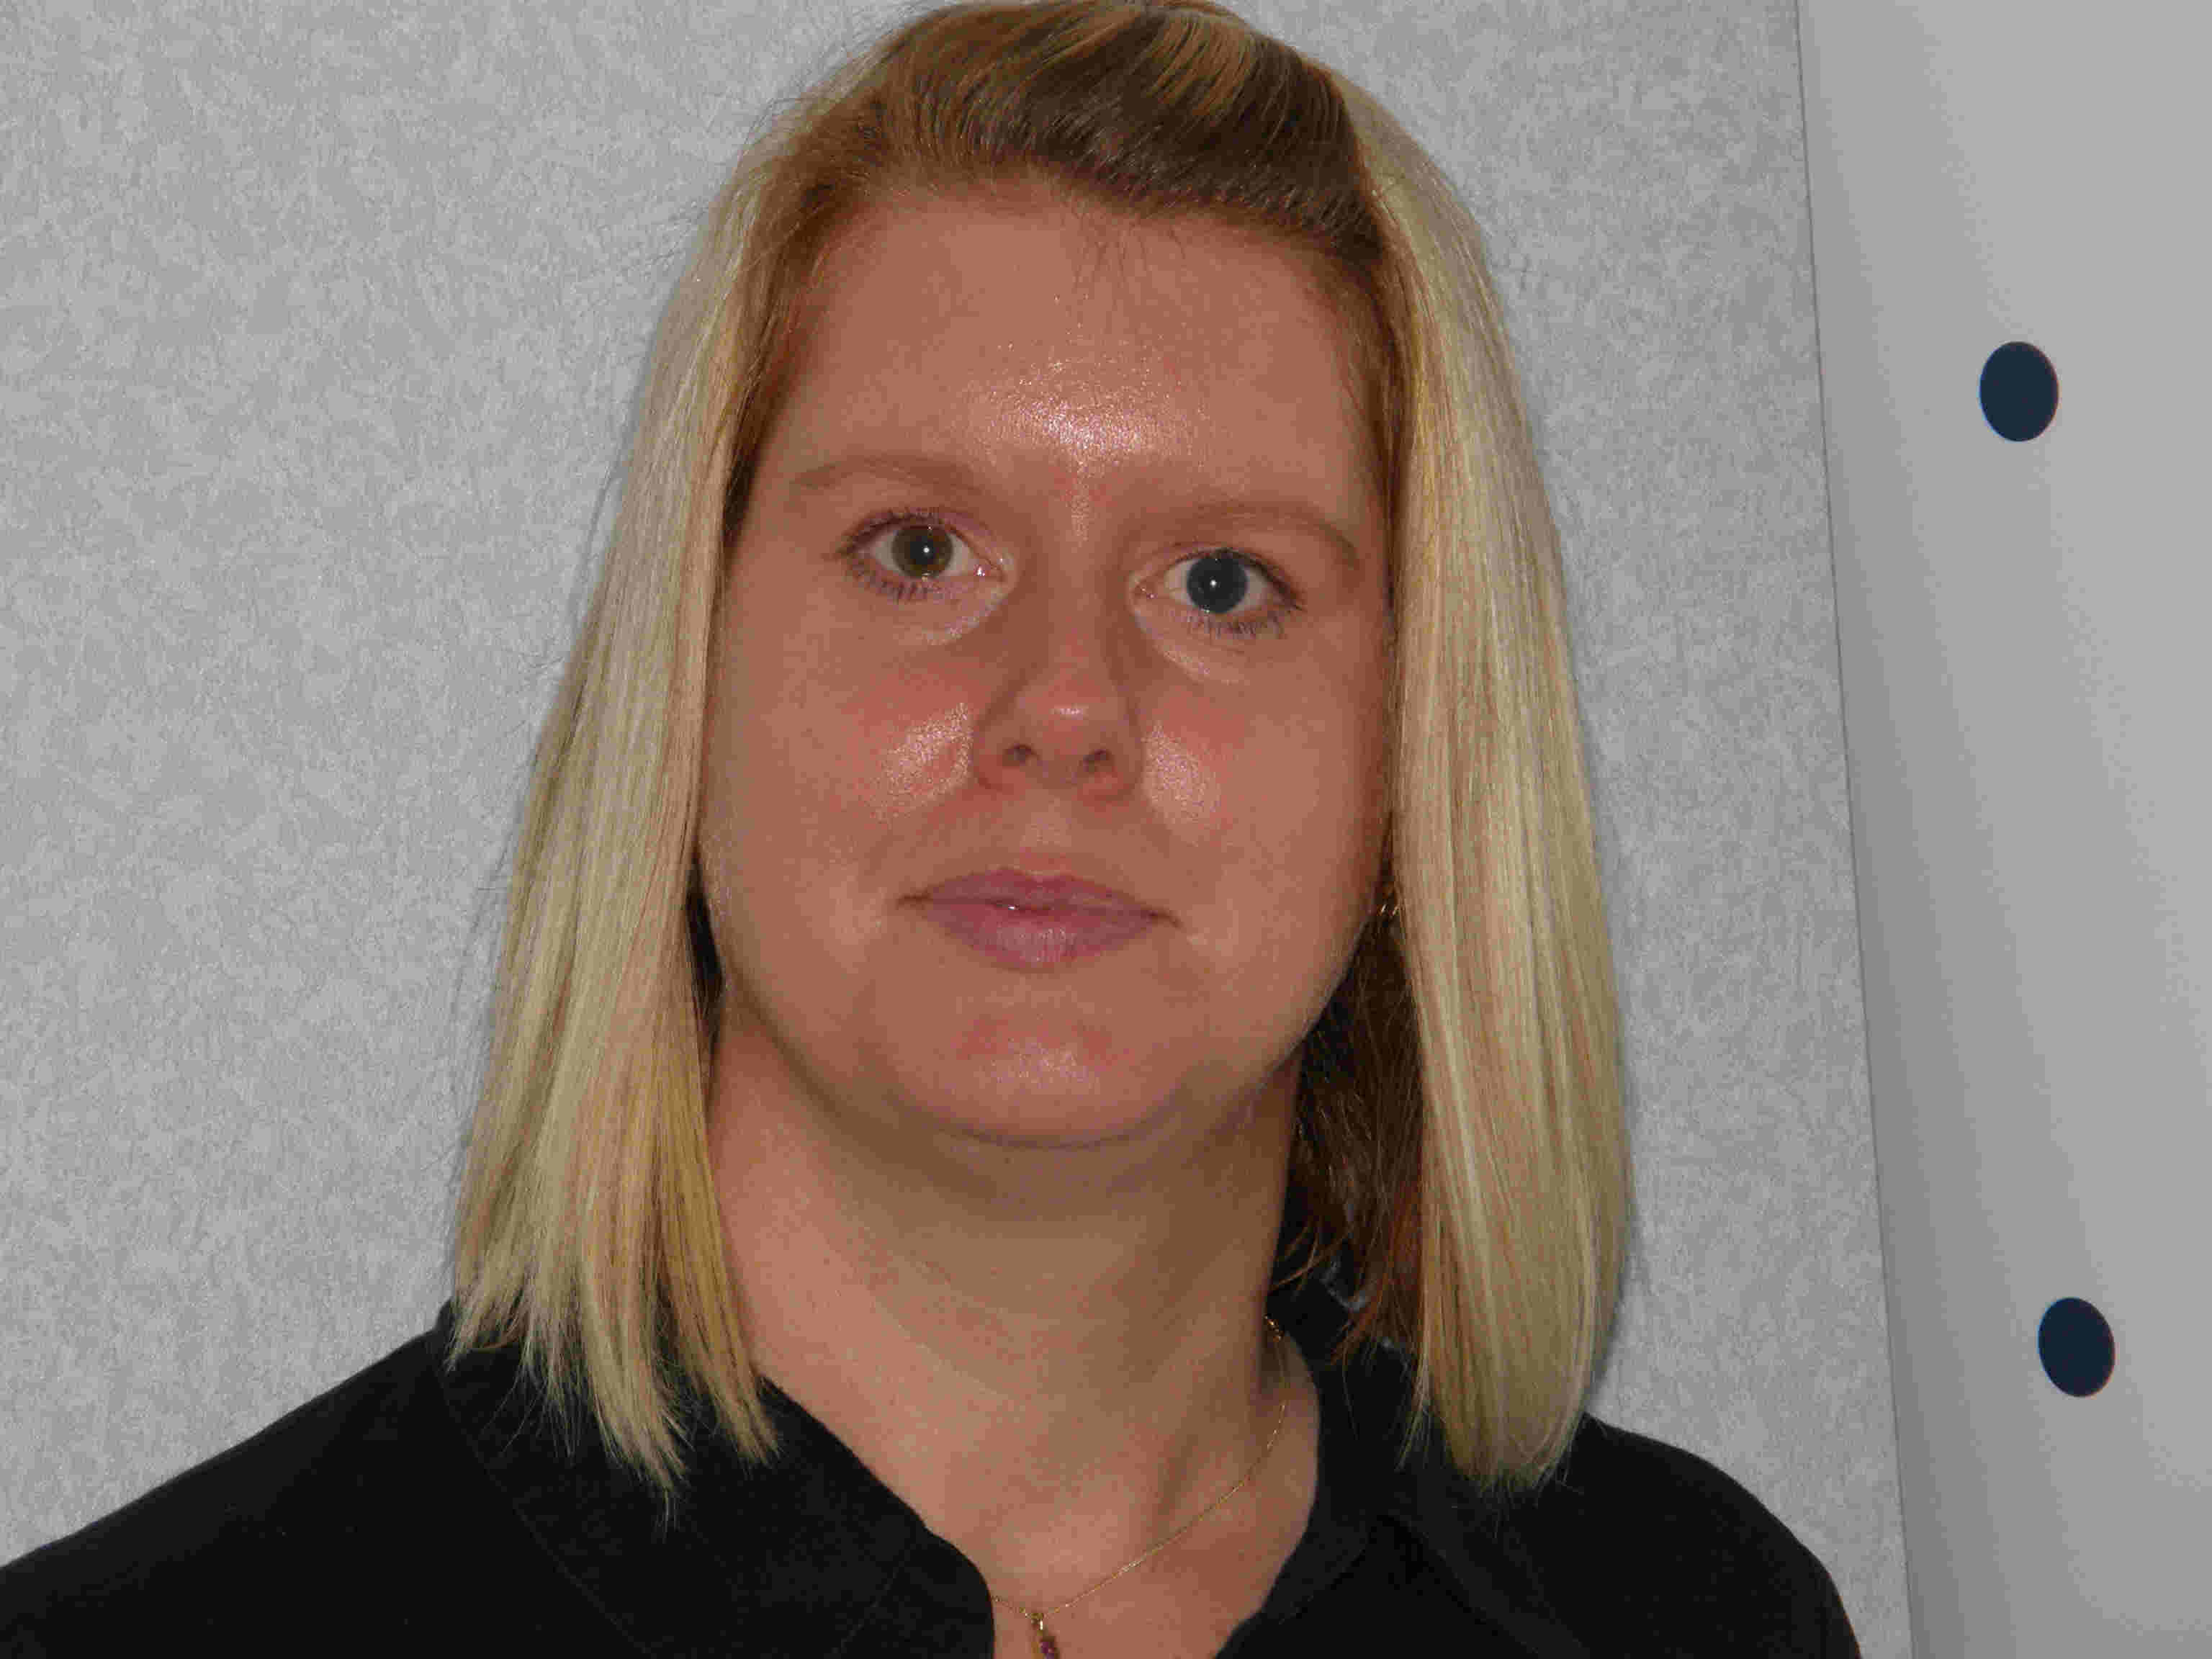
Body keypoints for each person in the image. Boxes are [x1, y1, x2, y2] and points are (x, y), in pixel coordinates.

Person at [0, 2, 1863, 1654]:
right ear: (690, 681)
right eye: (919, 550)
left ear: (1415, 753)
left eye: (1224, 582)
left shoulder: (1696, 1617)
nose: (1065, 704)